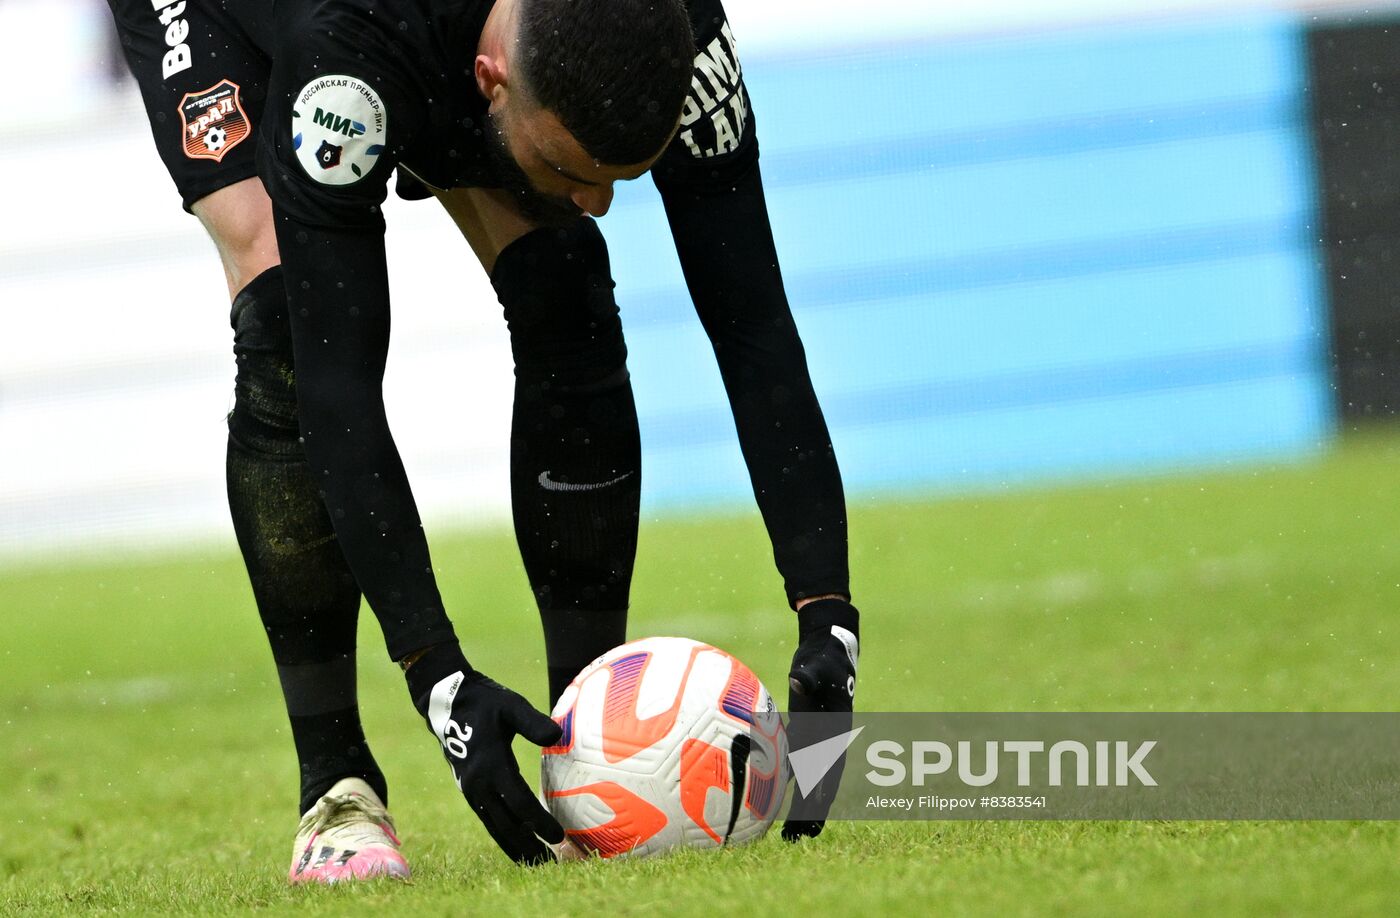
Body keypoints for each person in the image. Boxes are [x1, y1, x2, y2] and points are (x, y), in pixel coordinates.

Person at [107, 0, 860, 880]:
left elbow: (755, 327)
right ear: (491, 78)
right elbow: (339, 392)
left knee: (568, 275)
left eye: (622, 177)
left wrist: (829, 613)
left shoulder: (683, 29)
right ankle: (337, 786)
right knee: (279, 322)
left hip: (450, 40)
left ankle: (582, 743)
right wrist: (440, 676)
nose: (599, 202)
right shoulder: (351, 61)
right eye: (573, 168)